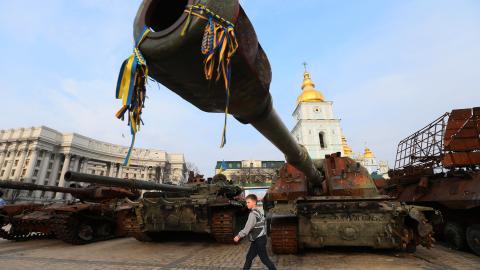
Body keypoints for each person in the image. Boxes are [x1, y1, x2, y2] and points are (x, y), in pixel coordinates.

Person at [234, 194, 276, 270]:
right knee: (249, 257)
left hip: (259, 240)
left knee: (265, 260)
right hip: (259, 239)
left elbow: (247, 229)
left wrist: (238, 236)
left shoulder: (252, 215)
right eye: (246, 202)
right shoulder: (259, 211)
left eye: (248, 202)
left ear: (254, 202)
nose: (247, 204)